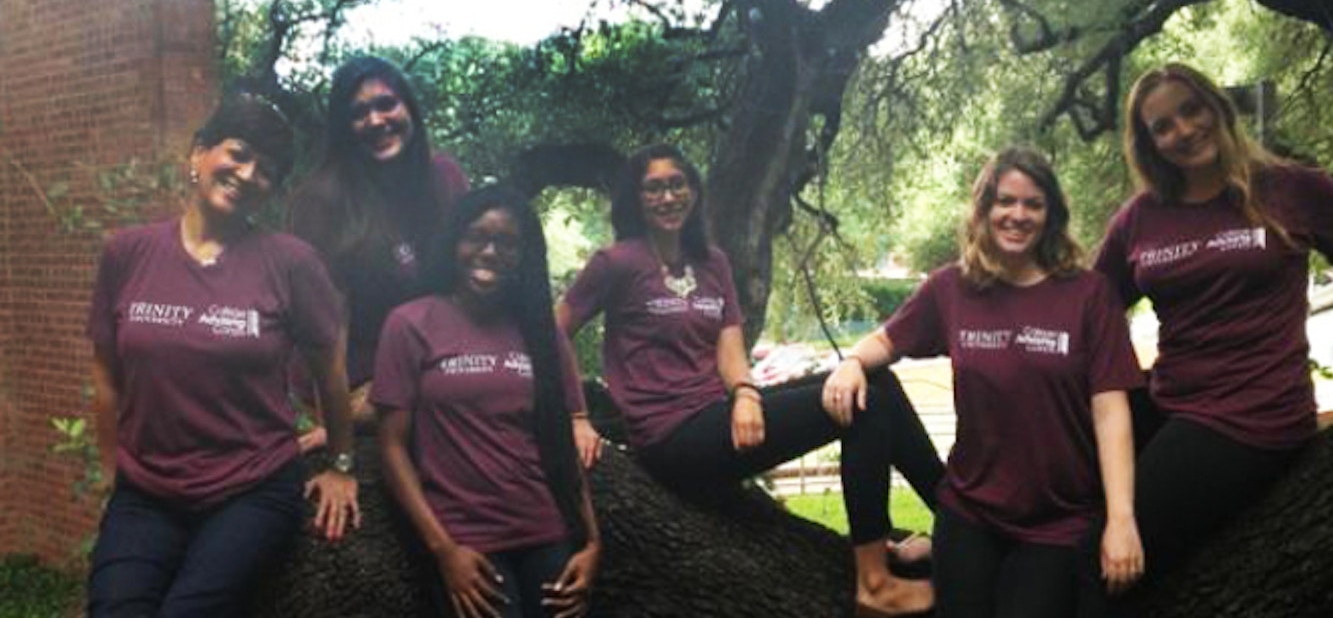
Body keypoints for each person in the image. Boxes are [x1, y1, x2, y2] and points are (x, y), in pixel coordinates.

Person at [1090, 63, 1333, 602]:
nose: (1183, 130)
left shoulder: (1295, 188)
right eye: (1162, 126)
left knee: (1113, 551)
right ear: (1148, 143)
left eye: (1191, 109)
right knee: (1052, 479)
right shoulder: (1139, 218)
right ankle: (944, 565)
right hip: (1169, 399)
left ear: (1217, 107)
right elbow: (1090, 309)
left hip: (1252, 416)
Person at [558, 143, 944, 616]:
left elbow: (729, 347)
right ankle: (875, 583)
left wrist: (745, 393)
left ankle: (961, 526)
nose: (666, 197)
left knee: (875, 381)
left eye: (677, 184)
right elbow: (552, 331)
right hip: (672, 440)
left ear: (694, 192)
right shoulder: (615, 263)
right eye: (652, 188)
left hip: (718, 417)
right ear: (635, 200)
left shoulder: (712, 262)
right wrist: (576, 415)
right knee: (867, 408)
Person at [824, 147, 1144, 617]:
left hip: (1058, 522)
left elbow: (1111, 411)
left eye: (1033, 204)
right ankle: (934, 550)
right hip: (970, 513)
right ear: (984, 210)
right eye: (1005, 202)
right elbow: (887, 340)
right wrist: (852, 362)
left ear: (1051, 213)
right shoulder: (951, 288)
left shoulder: (1089, 295)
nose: (1018, 215)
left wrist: (1121, 519)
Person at [87, 95, 360, 618]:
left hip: (251, 488)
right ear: (198, 153)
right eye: (237, 153)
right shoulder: (128, 252)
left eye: (267, 170)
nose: (248, 173)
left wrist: (342, 464)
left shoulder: (291, 263)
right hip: (146, 492)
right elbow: (105, 372)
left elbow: (330, 370)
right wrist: (110, 470)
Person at [373, 185, 600, 618]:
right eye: (477, 236)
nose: (490, 251)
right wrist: (443, 550)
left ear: (523, 257)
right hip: (466, 541)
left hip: (548, 533)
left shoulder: (541, 333)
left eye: (507, 243)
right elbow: (392, 448)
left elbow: (561, 444)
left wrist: (592, 544)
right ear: (455, 242)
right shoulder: (410, 323)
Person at [288, 55, 469, 444]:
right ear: (343, 127)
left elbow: (468, 285)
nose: (375, 121)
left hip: (433, 359)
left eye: (386, 104)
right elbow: (324, 327)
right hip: (358, 379)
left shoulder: (446, 179)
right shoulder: (323, 200)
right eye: (358, 113)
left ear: (409, 109)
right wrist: (335, 432)